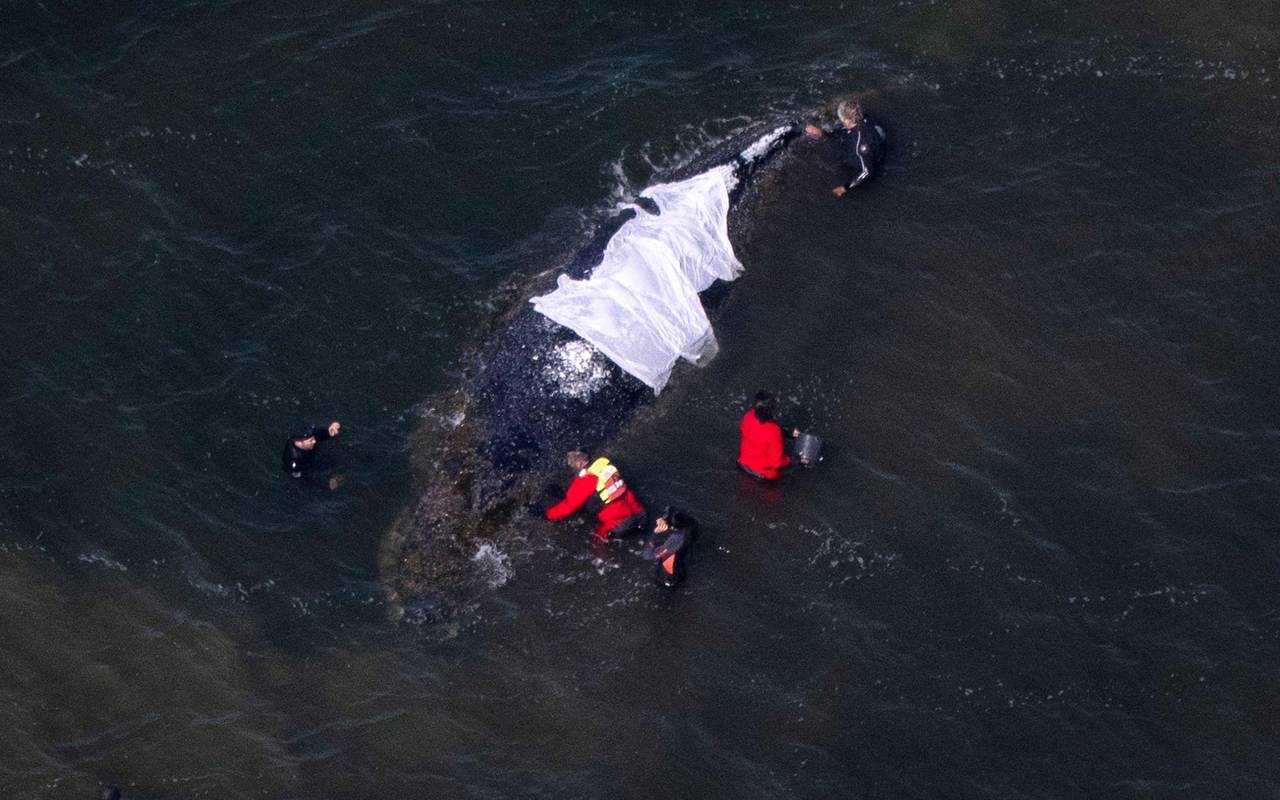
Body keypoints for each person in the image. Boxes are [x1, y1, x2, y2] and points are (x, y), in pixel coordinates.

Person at [544, 450, 646, 541]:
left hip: (620, 522)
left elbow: (570, 505)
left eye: (571, 464)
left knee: (597, 538)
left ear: (579, 464)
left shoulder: (586, 480)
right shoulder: (605, 465)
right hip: (639, 513)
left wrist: (548, 514)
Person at [804, 100, 884, 195]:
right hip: (870, 138)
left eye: (841, 119)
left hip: (864, 156)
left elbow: (867, 172)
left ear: (846, 120)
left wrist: (846, 187)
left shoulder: (861, 145)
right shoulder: (864, 120)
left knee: (838, 155)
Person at [738, 391, 799, 480]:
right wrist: (792, 460)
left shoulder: (748, 416)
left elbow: (759, 432)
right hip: (762, 474)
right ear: (771, 409)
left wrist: (787, 434)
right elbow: (776, 463)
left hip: (742, 464)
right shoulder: (774, 431)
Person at [644, 507, 697, 588]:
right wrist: (665, 520)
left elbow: (647, 555)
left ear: (672, 526)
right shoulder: (690, 525)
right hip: (680, 561)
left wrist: (655, 534)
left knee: (661, 584)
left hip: (669, 574)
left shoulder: (673, 542)